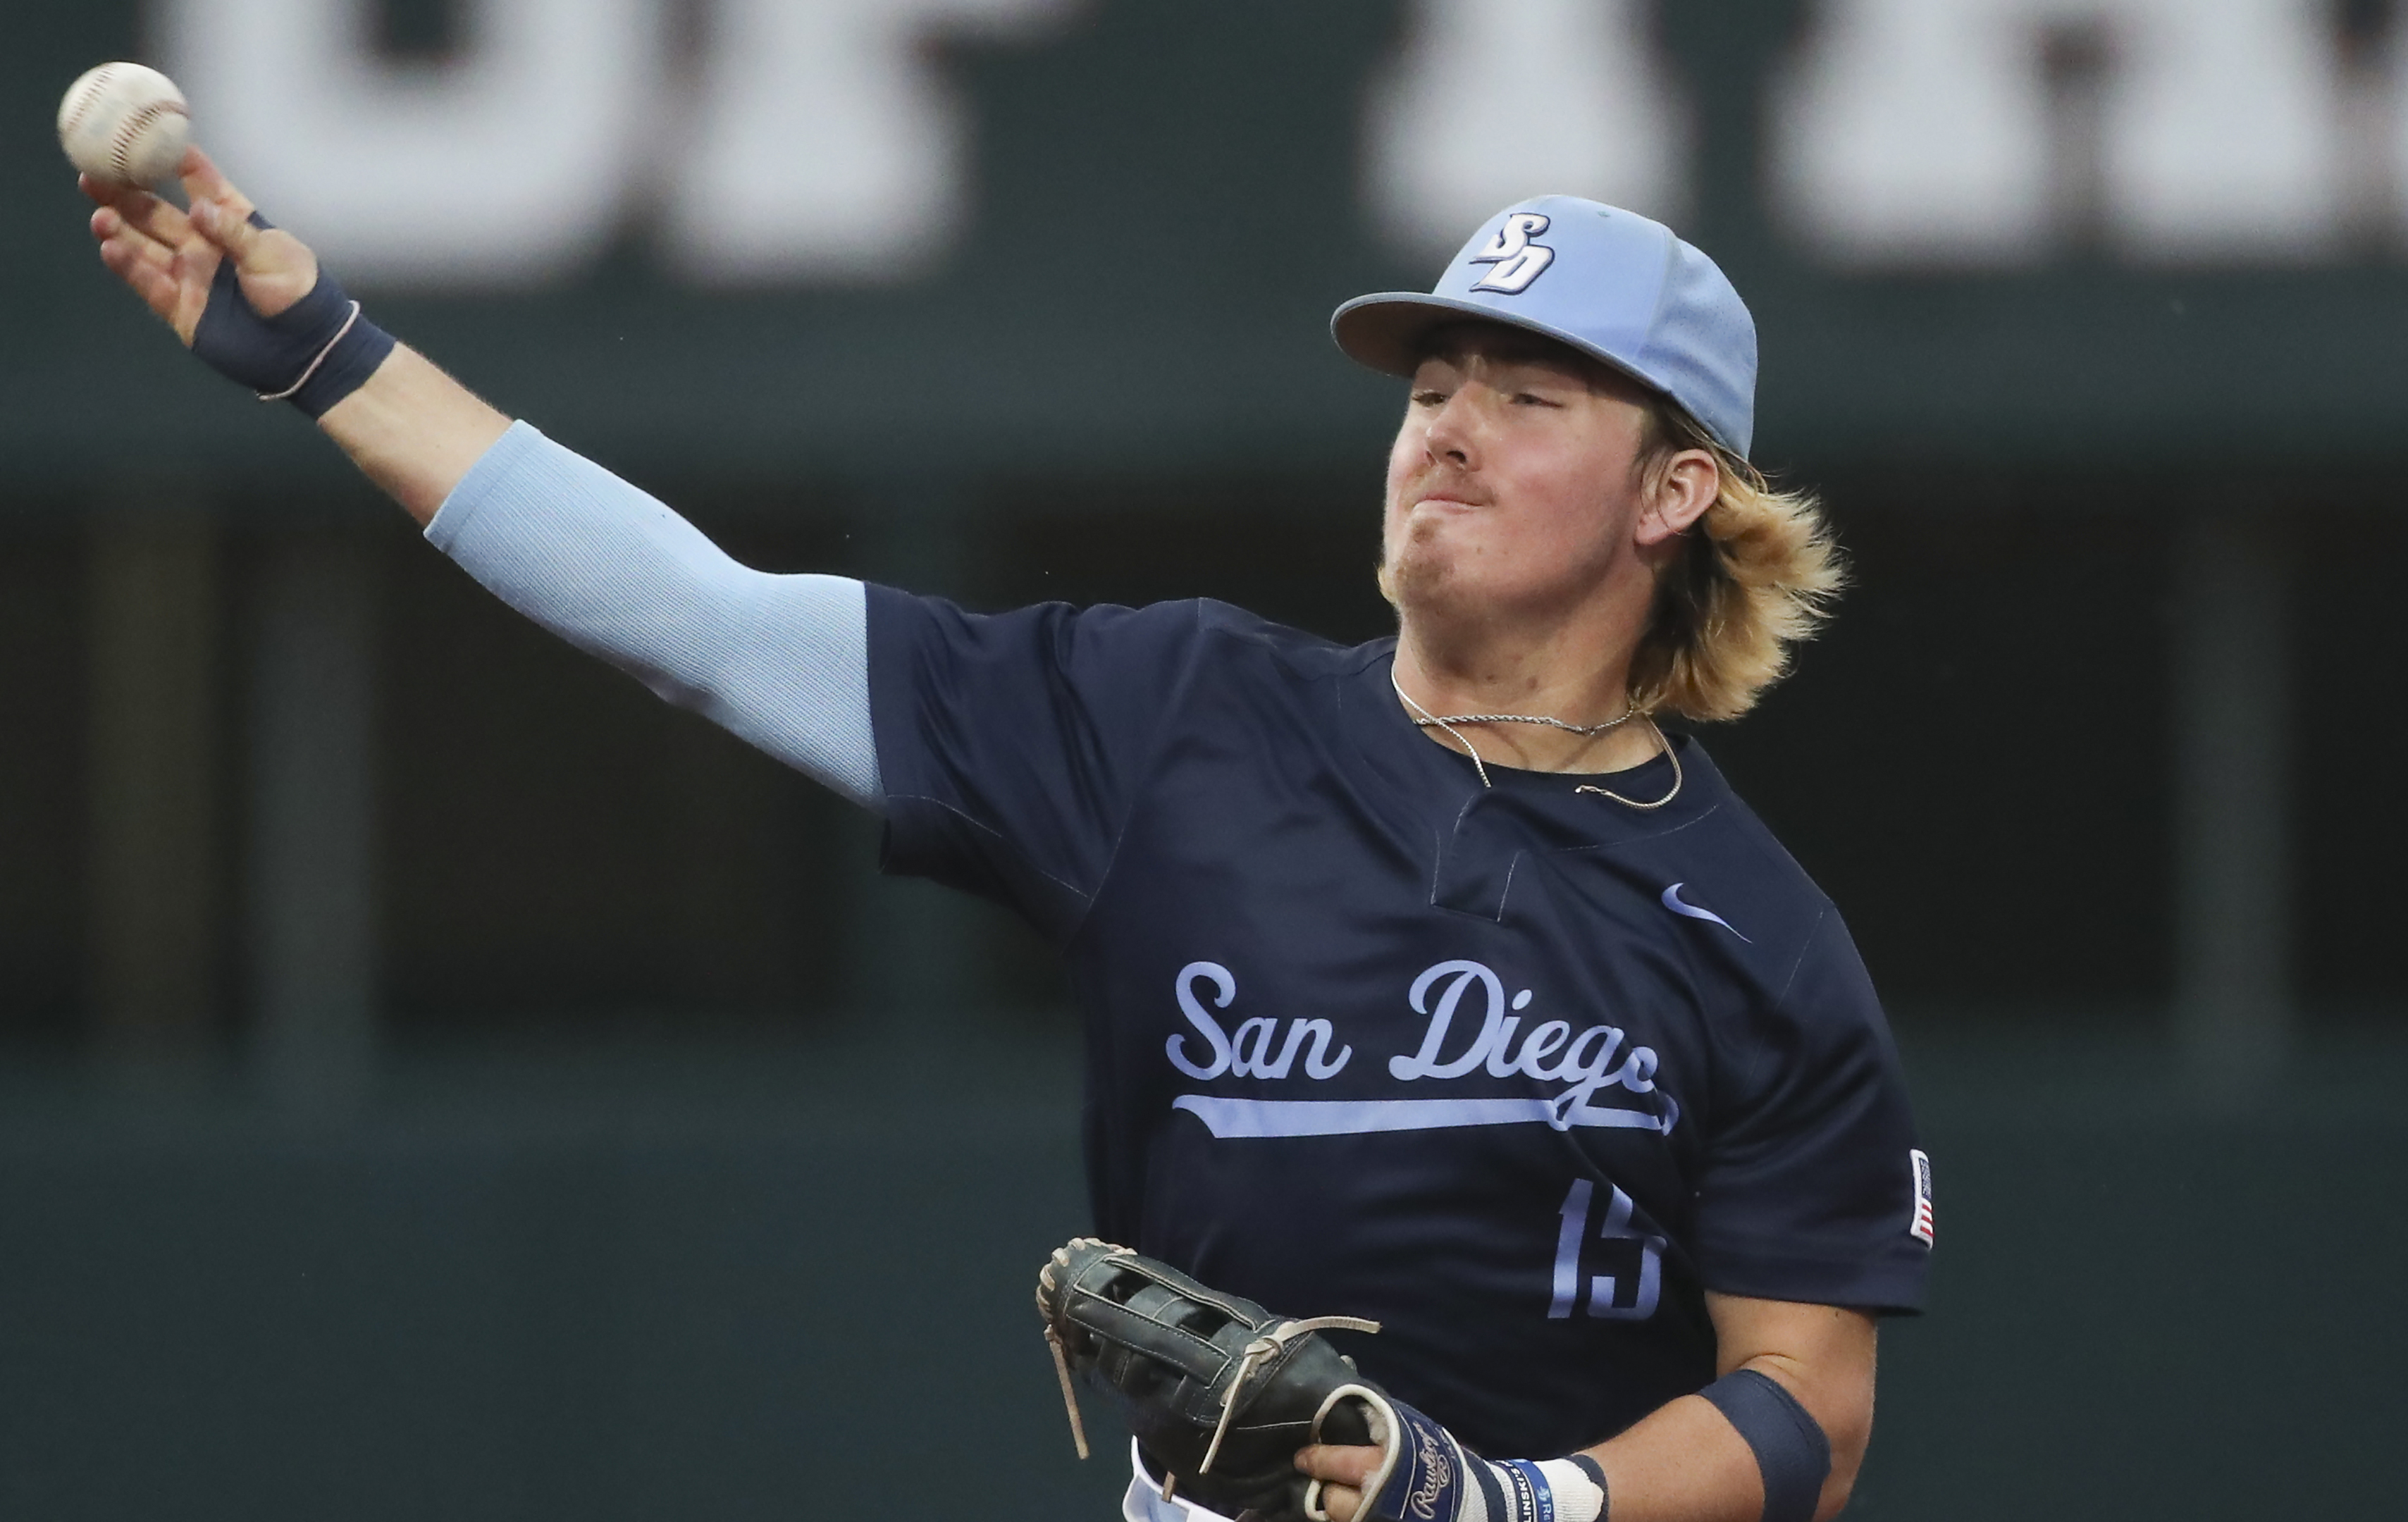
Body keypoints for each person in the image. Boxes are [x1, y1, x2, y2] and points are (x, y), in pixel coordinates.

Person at [82, 154, 1931, 1522]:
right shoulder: (1174, 716)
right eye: (1433, 383)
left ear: (1676, 492)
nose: (1445, 431)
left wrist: (1526, 1510)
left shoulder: (1755, 932)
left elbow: (1807, 1402)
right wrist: (331, 356)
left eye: (1528, 396)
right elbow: (709, 627)